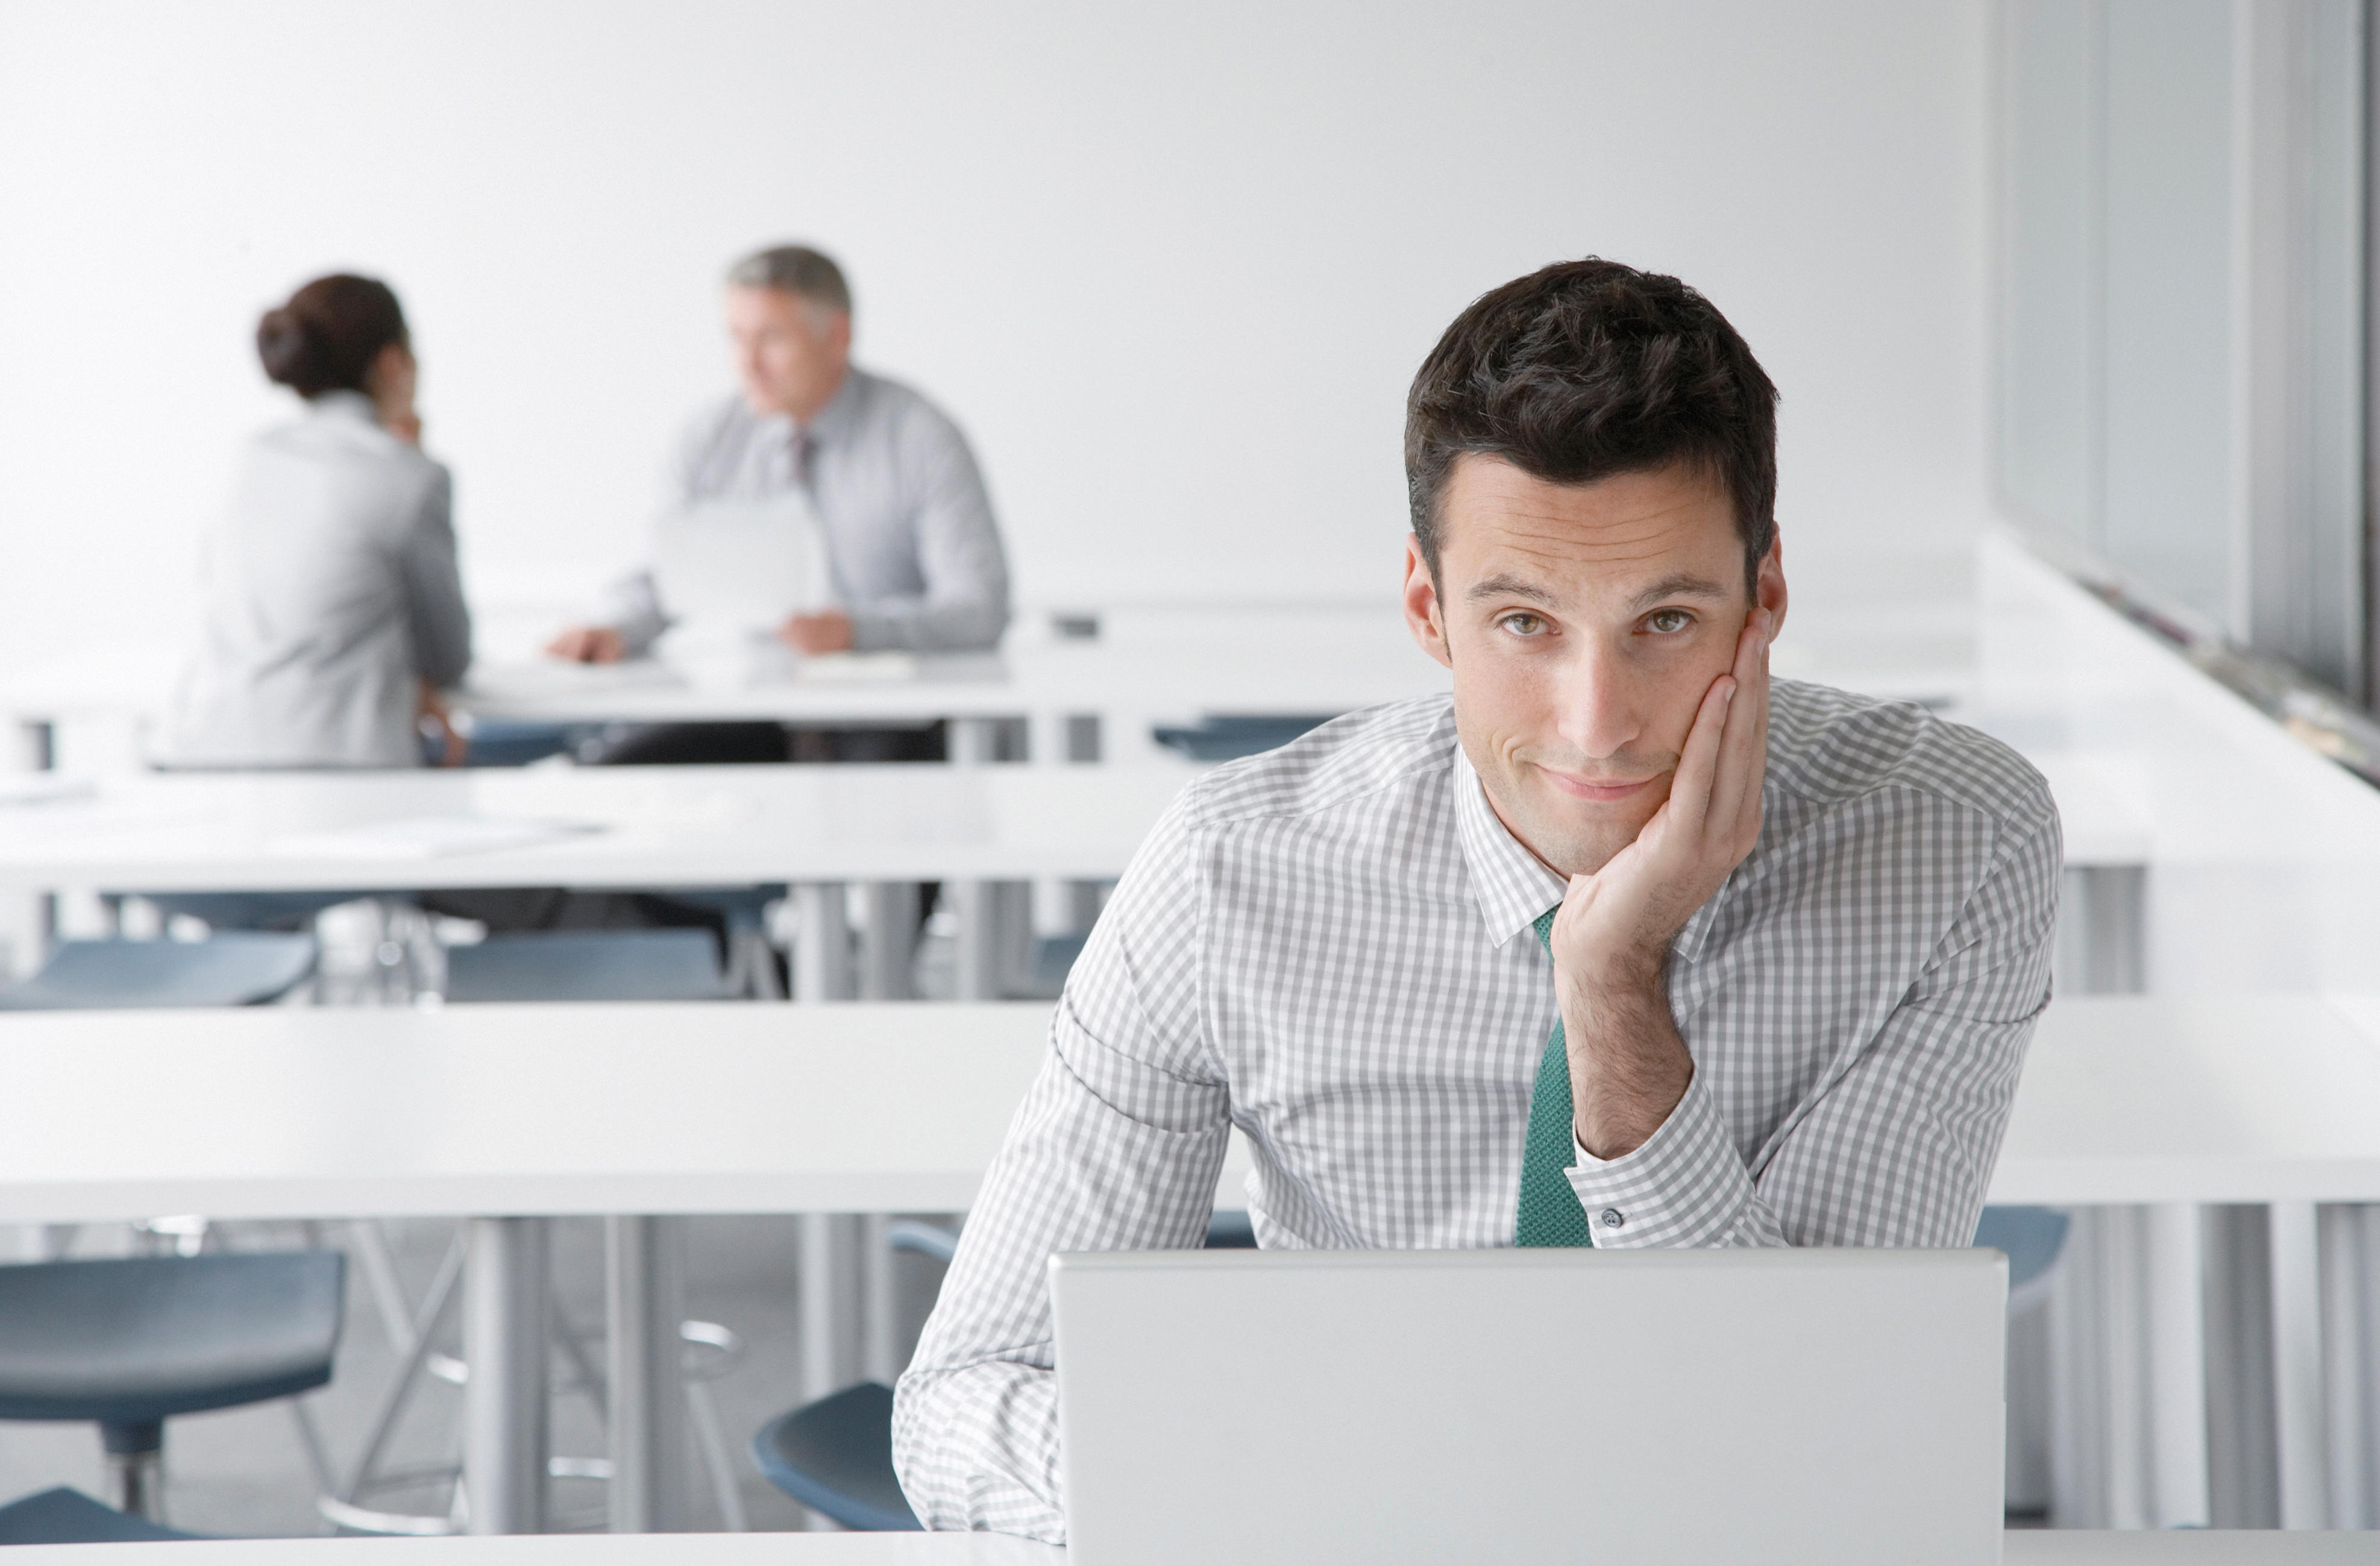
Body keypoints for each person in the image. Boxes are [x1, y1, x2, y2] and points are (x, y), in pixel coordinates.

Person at [890, 258, 2061, 1541]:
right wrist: (1314, 1508)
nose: (1597, 724)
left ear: (1764, 598)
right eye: (1523, 624)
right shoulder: (1231, 869)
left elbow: (1813, 1461)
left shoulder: (1952, 838)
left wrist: (1610, 980)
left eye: (1666, 621)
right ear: (1426, 608)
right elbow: (961, 1401)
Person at [545, 244, 1009, 763]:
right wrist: (613, 628)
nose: (748, 364)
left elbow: (978, 608)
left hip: (891, 712)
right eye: (737, 338)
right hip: (755, 704)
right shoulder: (711, 437)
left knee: (878, 798)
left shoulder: (920, 437)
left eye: (771, 339)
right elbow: (667, 573)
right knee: (611, 770)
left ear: (836, 336)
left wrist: (856, 631)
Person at [169, 274, 469, 768]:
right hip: (338, 769)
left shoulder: (242, 461)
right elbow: (447, 661)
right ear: (394, 363)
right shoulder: (408, 476)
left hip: (200, 752)